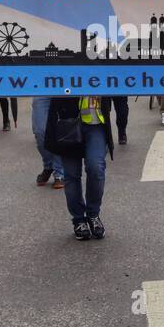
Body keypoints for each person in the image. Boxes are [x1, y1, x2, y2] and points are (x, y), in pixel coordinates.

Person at [46, 95, 114, 240]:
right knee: (71, 174)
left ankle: (93, 214)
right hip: (67, 121)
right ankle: (78, 219)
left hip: (96, 122)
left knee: (96, 168)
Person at [31, 96, 65, 189]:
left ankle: (59, 172)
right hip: (42, 91)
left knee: (59, 131)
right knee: (39, 132)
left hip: (62, 89)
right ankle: (49, 165)